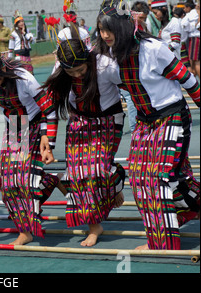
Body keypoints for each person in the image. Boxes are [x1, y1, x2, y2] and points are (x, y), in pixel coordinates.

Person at [97, 0, 200, 250]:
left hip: (172, 115)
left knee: (157, 179)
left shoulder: (154, 48)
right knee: (140, 178)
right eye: (101, 29)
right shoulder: (109, 57)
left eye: (109, 29)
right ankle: (193, 207)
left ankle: (162, 242)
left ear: (124, 26)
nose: (104, 35)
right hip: (145, 122)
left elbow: (188, 80)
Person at [0, 47, 60, 245]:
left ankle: (27, 230)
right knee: (9, 182)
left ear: (1, 73)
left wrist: (48, 141)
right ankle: (48, 184)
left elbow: (50, 111)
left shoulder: (24, 78)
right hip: (14, 127)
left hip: (35, 125)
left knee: (25, 181)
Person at [42, 35, 126, 247]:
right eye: (72, 72)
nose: (77, 75)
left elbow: (130, 85)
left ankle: (115, 180)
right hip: (79, 121)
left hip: (108, 119)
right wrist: (48, 140)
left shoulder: (105, 65)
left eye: (80, 70)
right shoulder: (61, 70)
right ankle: (94, 225)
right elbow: (50, 106)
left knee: (97, 170)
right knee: (78, 175)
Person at [181, 0, 200, 77]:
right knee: (194, 61)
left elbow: (184, 24)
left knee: (195, 62)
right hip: (195, 38)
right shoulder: (195, 13)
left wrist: (193, 26)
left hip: (195, 38)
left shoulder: (192, 14)